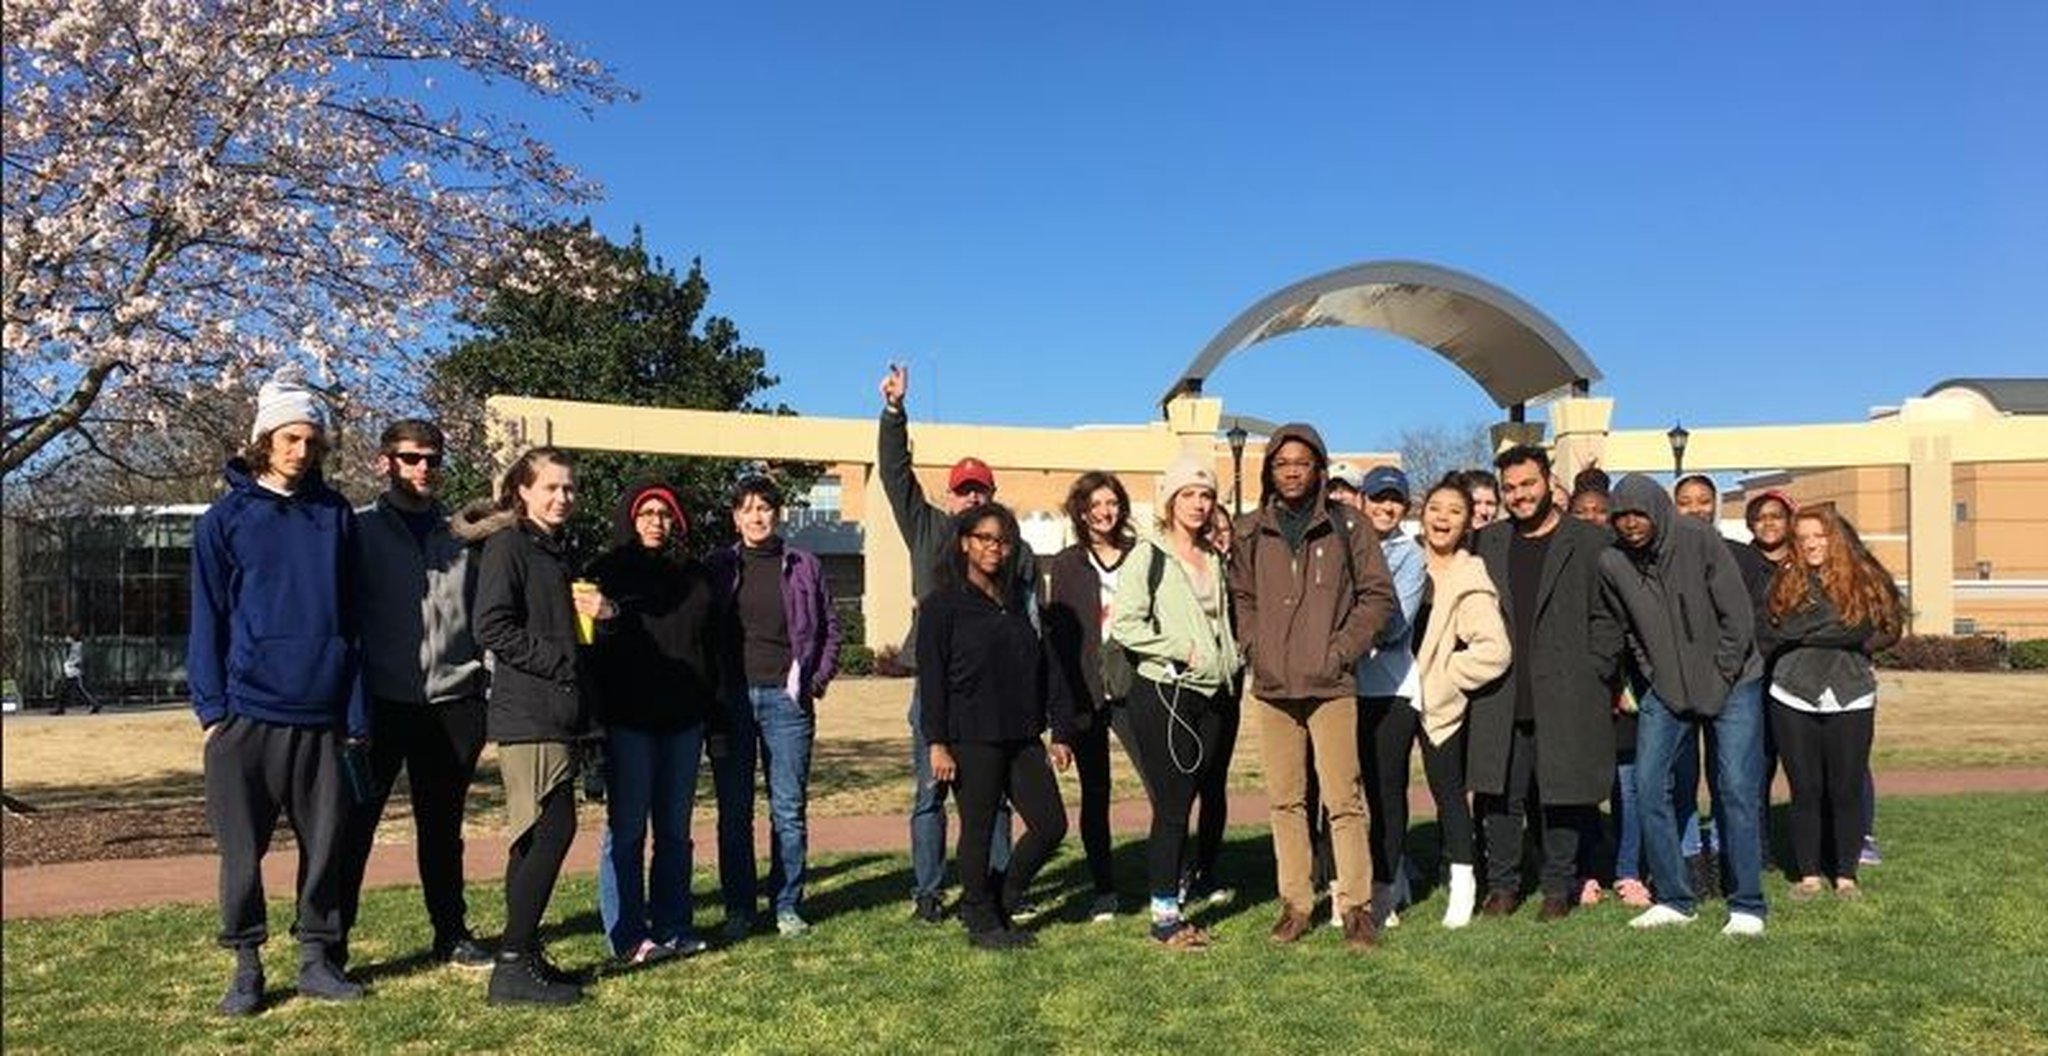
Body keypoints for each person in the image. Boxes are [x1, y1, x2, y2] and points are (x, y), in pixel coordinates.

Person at [189, 367, 368, 1015]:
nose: (302, 450)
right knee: (242, 854)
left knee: (326, 848)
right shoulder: (225, 520)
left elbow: (354, 620)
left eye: (311, 441)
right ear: (266, 438)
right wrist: (212, 713)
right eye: (291, 438)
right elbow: (206, 617)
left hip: (323, 717)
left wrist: (354, 713)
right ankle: (246, 967)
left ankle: (318, 959)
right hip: (245, 717)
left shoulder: (336, 514)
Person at [1229, 423, 1394, 952]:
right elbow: (1242, 598)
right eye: (1282, 463)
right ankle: (1296, 904)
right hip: (1274, 687)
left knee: (1344, 799)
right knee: (1286, 800)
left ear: (1320, 467)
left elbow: (1376, 597)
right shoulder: (1251, 529)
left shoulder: (1349, 525)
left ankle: (1356, 908)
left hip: (1331, 685)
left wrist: (1340, 651)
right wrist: (1256, 649)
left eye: (1302, 462)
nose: (1292, 471)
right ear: (1269, 471)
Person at [335, 419, 491, 972]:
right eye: (410, 458)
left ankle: (451, 934)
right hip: (379, 704)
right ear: (385, 462)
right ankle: (330, 945)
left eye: (431, 458)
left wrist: (483, 681)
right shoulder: (357, 531)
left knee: (443, 831)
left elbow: (487, 615)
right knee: (352, 828)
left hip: (453, 705)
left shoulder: (463, 537)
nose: (422, 467)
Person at [878, 364, 1028, 923]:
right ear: (951, 495)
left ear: (992, 496)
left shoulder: (1009, 551)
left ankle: (992, 886)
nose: (970, 498)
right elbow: (895, 475)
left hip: (994, 692)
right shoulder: (929, 529)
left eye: (979, 491)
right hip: (938, 687)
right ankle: (928, 890)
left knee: (996, 796)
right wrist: (895, 413)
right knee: (929, 794)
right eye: (963, 491)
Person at [463, 446, 607, 1006]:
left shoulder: (551, 549)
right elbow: (491, 626)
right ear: (521, 490)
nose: (562, 497)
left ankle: (524, 955)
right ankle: (513, 963)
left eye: (568, 488)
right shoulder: (510, 545)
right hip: (530, 714)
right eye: (550, 487)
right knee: (552, 831)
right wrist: (559, 659)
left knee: (536, 835)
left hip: (556, 713)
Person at [1600, 474, 1768, 936]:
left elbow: (1737, 617)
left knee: (1734, 787)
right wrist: (1654, 676)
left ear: (1657, 509)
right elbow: (1629, 630)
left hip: (1734, 683)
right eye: (1621, 516)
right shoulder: (1612, 562)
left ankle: (1747, 904)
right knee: (1651, 786)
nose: (1631, 523)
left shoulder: (1699, 541)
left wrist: (1719, 679)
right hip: (1667, 690)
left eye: (1639, 513)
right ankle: (1675, 898)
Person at [1467, 445, 1623, 922]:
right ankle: (1504, 886)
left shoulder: (1590, 541)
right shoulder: (1488, 542)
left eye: (1527, 484)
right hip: (1503, 689)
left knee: (1562, 791)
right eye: (1510, 488)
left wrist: (1596, 665)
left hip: (1568, 687)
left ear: (1548, 481)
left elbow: (1609, 616)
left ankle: (1558, 886)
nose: (1519, 495)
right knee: (1501, 795)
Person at [917, 503, 1074, 950]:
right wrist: (938, 743)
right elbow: (932, 680)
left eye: (1003, 540)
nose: (994, 548)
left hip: (1023, 735)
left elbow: (1050, 667)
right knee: (979, 830)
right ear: (965, 542)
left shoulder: (1021, 600)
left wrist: (1059, 731)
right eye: (984, 538)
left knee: (1050, 825)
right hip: (970, 737)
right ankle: (982, 922)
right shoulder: (941, 606)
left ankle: (1000, 897)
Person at [1106, 456, 1242, 949]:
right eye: (1189, 494)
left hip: (1216, 692)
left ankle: (1183, 889)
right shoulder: (1150, 554)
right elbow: (1126, 625)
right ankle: (1164, 917)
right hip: (1166, 692)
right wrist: (1179, 651)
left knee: (1202, 791)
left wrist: (1231, 657)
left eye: (1206, 495)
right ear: (1170, 501)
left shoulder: (1216, 555)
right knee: (1172, 805)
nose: (1199, 503)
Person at [587, 481, 721, 965]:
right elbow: (591, 653)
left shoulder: (698, 578)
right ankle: (627, 934)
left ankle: (674, 925)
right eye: (646, 512)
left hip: (684, 721)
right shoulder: (605, 574)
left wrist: (714, 715)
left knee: (674, 831)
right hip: (628, 721)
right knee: (626, 831)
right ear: (630, 517)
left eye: (664, 513)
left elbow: (711, 649)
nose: (655, 521)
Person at [706, 476, 843, 939]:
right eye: (746, 508)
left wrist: (814, 681)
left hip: (787, 703)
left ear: (777, 513)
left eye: (764, 507)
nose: (756, 516)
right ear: (735, 517)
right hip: (733, 703)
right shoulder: (718, 566)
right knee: (734, 811)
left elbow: (830, 629)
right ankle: (739, 909)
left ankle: (787, 905)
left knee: (787, 809)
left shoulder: (803, 564)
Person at [1760, 506, 1902, 901]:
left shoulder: (1864, 578)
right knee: (1805, 788)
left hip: (1851, 693)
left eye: (1818, 535)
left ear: (1834, 537)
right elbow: (1775, 633)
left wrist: (1852, 641)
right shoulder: (1784, 580)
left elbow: (1886, 628)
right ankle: (1807, 875)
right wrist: (1838, 631)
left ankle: (1845, 875)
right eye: (1802, 537)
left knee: (1845, 788)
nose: (1810, 543)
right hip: (1792, 693)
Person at [1405, 475, 1511, 928]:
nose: (1442, 517)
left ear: (1468, 522)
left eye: (1454, 510)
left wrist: (1447, 675)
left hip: (1436, 700)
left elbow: (1494, 649)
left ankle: (1463, 883)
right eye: (1435, 508)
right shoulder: (1402, 562)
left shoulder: (1469, 573)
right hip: (1389, 694)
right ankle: (1393, 877)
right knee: (1385, 792)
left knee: (1448, 794)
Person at [1044, 471, 1139, 923]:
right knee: (1095, 794)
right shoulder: (1066, 565)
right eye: (1096, 504)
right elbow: (1059, 638)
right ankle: (1104, 889)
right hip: (1085, 694)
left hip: (1135, 687)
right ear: (1082, 512)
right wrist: (1060, 715)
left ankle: (1173, 875)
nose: (1105, 511)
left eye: (1112, 502)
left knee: (1165, 788)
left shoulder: (1141, 557)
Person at [1351, 466, 1427, 928]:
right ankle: (1351, 881)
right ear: (1363, 500)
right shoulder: (1345, 545)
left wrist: (1345, 635)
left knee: (1386, 789)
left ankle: (1387, 883)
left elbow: (1395, 625)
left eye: (1394, 499)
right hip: (1345, 686)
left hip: (1392, 688)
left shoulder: (1409, 556)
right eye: (1378, 497)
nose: (1386, 506)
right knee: (1345, 792)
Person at [1182, 505, 1244, 905]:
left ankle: (1208, 868)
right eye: (1211, 528)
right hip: (1191, 685)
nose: (1219, 535)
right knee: (1185, 780)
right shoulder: (1192, 572)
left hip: (1230, 686)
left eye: (1225, 529)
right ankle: (1179, 869)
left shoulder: (1241, 573)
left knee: (1214, 783)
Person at [54, 628, 101, 715]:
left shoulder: (77, 646)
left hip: (74, 672)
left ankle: (95, 704)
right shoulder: (72, 647)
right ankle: (61, 708)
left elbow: (79, 659)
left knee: (80, 691)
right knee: (64, 690)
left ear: (72, 638)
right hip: (70, 672)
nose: (66, 639)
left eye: (68, 637)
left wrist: (74, 665)